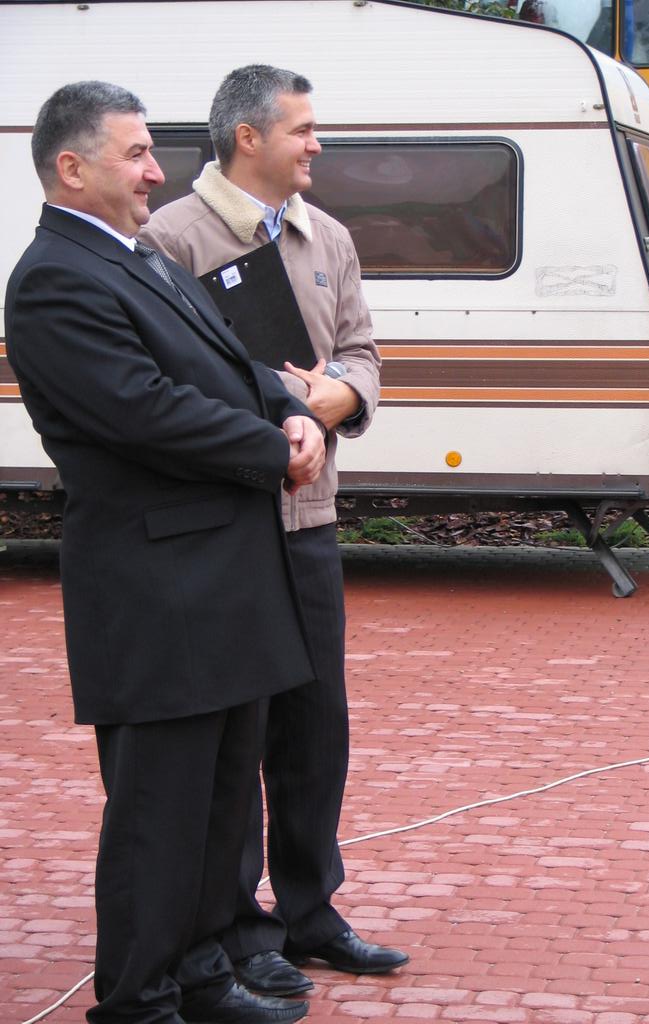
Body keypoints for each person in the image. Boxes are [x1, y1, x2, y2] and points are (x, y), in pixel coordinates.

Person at [4, 80, 329, 1024]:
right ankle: (138, 1000)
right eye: (138, 153)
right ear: (72, 168)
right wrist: (273, 448)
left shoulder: (136, 255)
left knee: (221, 803)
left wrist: (292, 409)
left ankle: (201, 974)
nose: (157, 172)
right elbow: (142, 410)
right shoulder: (55, 277)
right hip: (158, 592)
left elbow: (234, 360)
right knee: (160, 814)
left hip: (219, 583)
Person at [141, 65, 407, 998]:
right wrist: (275, 414)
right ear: (248, 137)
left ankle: (311, 913)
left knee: (314, 724)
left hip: (308, 520)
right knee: (236, 734)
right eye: (302, 129)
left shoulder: (327, 235)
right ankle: (240, 927)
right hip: (227, 525)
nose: (317, 144)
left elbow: (363, 353)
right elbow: (166, 388)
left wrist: (340, 398)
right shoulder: (169, 239)